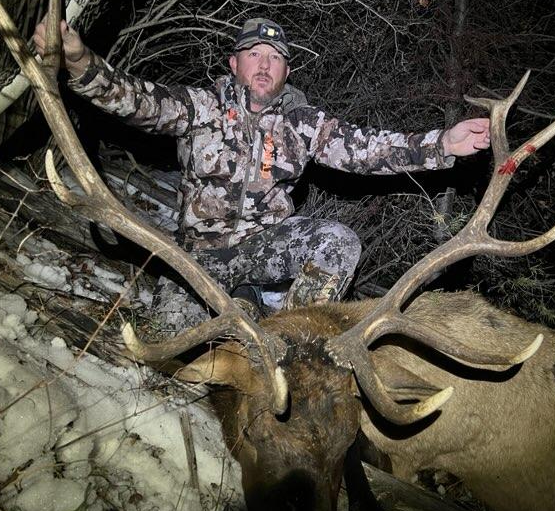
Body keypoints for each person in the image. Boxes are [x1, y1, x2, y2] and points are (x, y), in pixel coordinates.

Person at [33, 17, 490, 320]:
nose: (265, 64)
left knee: (337, 242)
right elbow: (136, 101)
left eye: (275, 58)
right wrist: (79, 60)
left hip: (264, 250)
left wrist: (443, 144)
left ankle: (289, 332)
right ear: (234, 64)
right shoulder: (200, 106)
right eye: (254, 54)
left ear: (286, 72)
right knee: (166, 341)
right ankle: (242, 307)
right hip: (199, 259)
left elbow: (367, 148)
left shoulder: (303, 123)